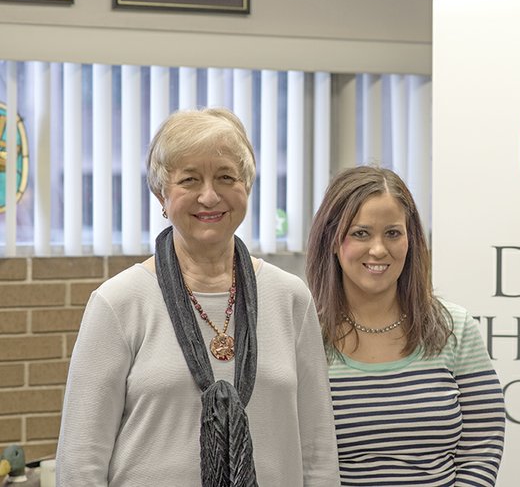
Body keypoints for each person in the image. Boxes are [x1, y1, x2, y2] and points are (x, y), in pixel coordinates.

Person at [56, 107, 340, 486]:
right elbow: (80, 461)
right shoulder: (119, 303)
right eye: (189, 180)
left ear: (246, 188)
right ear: (162, 193)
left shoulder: (290, 299)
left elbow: (318, 453)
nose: (209, 195)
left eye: (226, 177)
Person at [305, 165, 505, 486]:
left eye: (393, 233)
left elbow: (482, 446)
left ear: (410, 240)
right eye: (361, 233)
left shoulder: (454, 327)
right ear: (331, 241)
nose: (379, 249)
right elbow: (295, 457)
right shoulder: (304, 335)